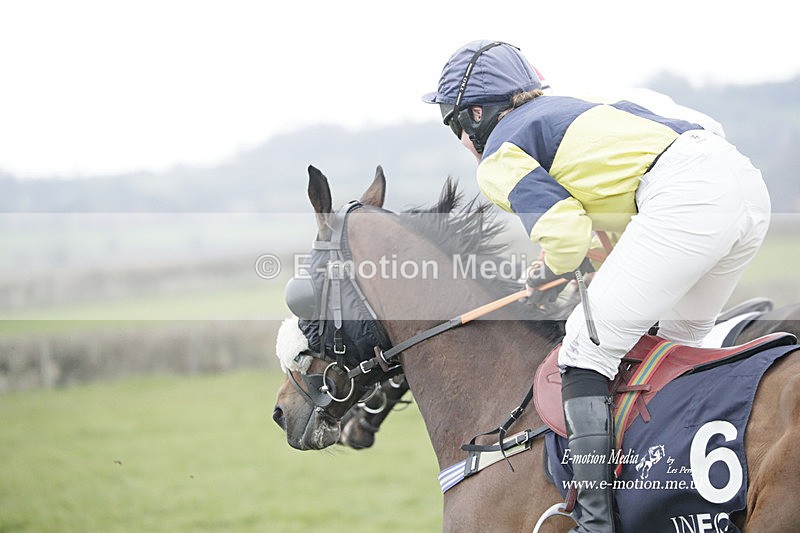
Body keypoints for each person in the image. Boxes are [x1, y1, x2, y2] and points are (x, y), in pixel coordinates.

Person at [423, 40, 770, 532]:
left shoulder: (500, 153)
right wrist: (583, 261)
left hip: (685, 197)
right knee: (670, 348)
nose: (460, 140)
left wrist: (548, 271)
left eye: (452, 123)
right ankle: (685, 496)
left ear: (475, 114)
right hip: (744, 190)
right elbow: (615, 216)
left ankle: (593, 521)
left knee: (584, 351)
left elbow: (565, 234)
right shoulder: (581, 110)